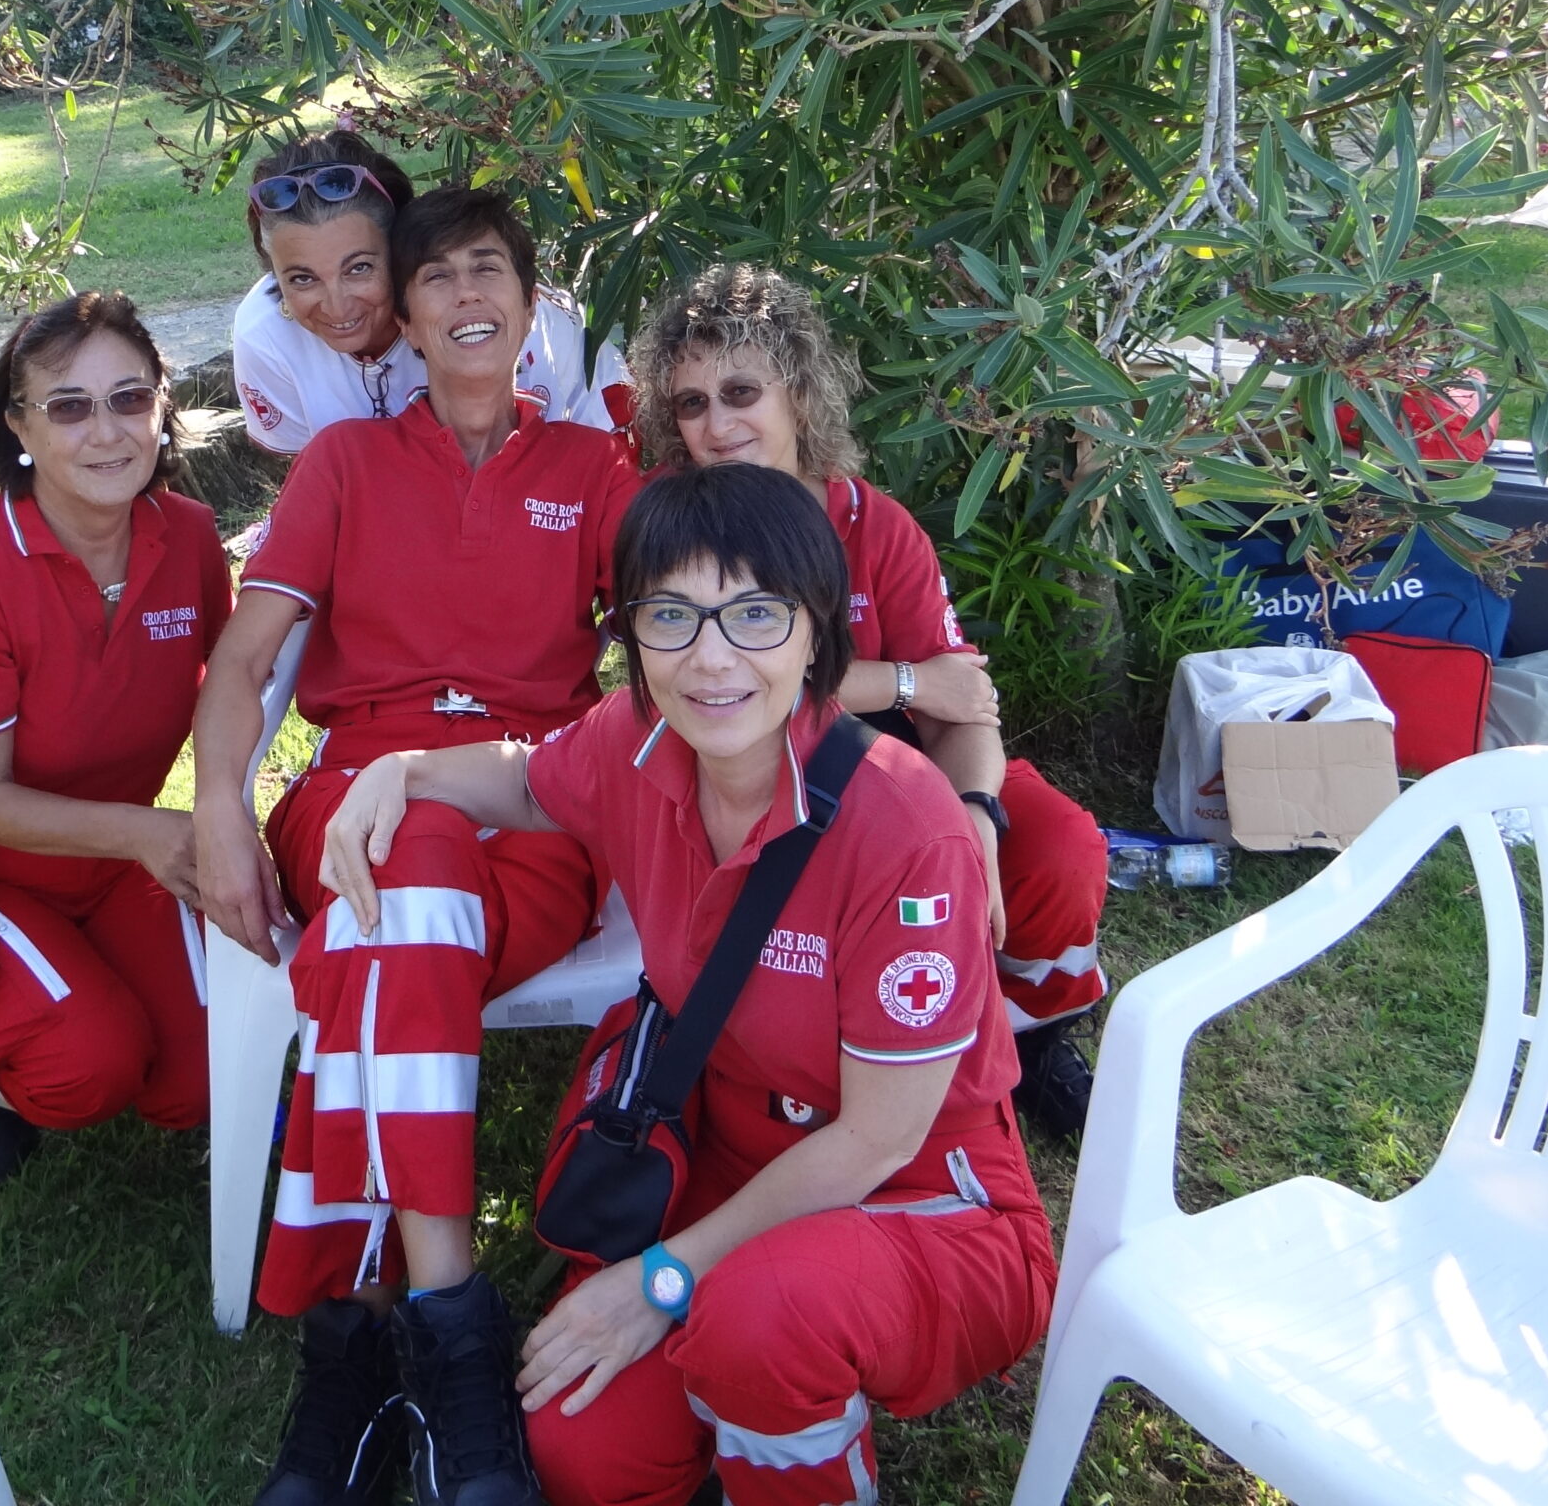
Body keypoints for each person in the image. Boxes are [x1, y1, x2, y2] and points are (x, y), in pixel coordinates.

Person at [319, 464, 1056, 1506]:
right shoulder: (638, 740)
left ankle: (793, 1445)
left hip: (929, 1197)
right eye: (670, 615)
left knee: (759, 1319)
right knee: (582, 1445)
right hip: (729, 1154)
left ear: (815, 637)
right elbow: (529, 779)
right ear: (629, 633)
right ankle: (750, 1410)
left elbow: (880, 1138)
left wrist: (662, 1279)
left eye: (754, 614)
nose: (711, 659)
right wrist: (403, 769)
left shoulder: (906, 829)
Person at [194, 186, 643, 1506]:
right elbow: (245, 659)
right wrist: (220, 801)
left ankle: (359, 1338)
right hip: (347, 808)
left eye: (487, 271)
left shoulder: (593, 474)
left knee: (414, 888)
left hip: (530, 806)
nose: (462, 298)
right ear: (406, 308)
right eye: (434, 277)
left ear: (532, 299)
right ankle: (451, 1335)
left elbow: (680, 638)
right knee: (411, 868)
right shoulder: (345, 467)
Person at [631, 264, 1111, 1138]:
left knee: (1060, 846)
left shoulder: (873, 524)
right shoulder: (674, 523)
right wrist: (903, 681)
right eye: (692, 403)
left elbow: (964, 702)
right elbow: (700, 672)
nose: (717, 422)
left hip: (907, 770)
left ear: (800, 395)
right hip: (761, 784)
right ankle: (844, 1060)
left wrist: (975, 813)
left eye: (741, 390)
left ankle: (1032, 1037)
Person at [0, 291, 232, 1192]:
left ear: (163, 405)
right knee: (90, 1070)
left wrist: (224, 811)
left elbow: (223, 698)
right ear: (19, 426)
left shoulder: (186, 536)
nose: (106, 432)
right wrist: (152, 834)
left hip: (110, 854)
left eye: (129, 398)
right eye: (68, 406)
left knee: (200, 1079)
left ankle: (84, 995)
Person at [229, 126, 634, 451]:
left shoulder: (519, 323)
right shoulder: (264, 334)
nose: (336, 305)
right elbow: (314, 484)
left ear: (401, 249)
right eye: (302, 278)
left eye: (359, 268)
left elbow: (614, 469)